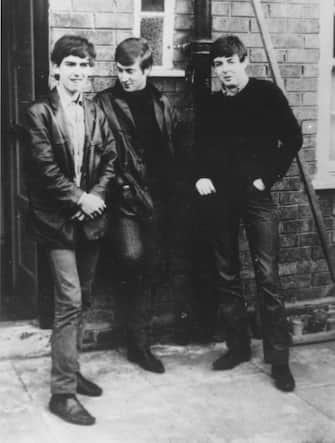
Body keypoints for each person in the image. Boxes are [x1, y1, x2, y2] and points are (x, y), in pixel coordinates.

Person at [194, 35, 303, 392]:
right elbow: (198, 145)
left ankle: (279, 360)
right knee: (227, 275)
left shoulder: (265, 94)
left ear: (245, 62)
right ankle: (237, 347)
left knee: (267, 276)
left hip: (255, 197)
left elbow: (292, 138)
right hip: (220, 199)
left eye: (230, 62)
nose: (224, 69)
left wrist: (266, 178)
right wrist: (200, 175)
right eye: (218, 64)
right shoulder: (210, 103)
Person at [23, 35, 117, 425]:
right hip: (56, 222)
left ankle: (71, 367)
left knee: (86, 297)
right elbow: (44, 171)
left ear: (90, 69)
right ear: (56, 68)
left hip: (90, 221)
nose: (78, 72)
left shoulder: (96, 110)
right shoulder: (39, 113)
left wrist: (93, 197)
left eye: (84, 64)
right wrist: (80, 199)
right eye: (71, 64)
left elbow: (111, 158)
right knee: (70, 301)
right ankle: (62, 393)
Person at [95, 37, 179, 374]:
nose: (124, 77)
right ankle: (132, 333)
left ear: (147, 69)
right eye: (119, 70)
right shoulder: (104, 102)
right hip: (124, 197)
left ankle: (139, 344)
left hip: (158, 196)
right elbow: (100, 151)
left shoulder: (161, 102)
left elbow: (171, 148)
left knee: (152, 265)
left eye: (130, 71)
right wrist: (120, 186)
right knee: (132, 256)